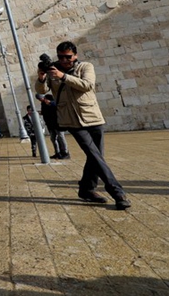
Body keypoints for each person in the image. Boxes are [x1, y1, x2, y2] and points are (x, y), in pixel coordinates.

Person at [35, 41, 130, 210]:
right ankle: (117, 192)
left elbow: (87, 85)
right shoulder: (52, 72)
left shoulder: (85, 67)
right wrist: (42, 77)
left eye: (68, 57)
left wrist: (63, 76)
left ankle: (86, 189)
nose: (64, 60)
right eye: (61, 57)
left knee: (96, 156)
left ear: (75, 55)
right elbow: (41, 91)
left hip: (92, 117)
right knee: (94, 154)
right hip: (71, 120)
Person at [36, 93, 70, 159]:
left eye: (42, 98)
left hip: (57, 124)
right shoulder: (43, 104)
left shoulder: (53, 102)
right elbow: (44, 112)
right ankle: (57, 153)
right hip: (50, 125)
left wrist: (50, 103)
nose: (42, 100)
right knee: (53, 138)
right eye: (40, 99)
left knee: (61, 137)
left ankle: (65, 153)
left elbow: (57, 107)